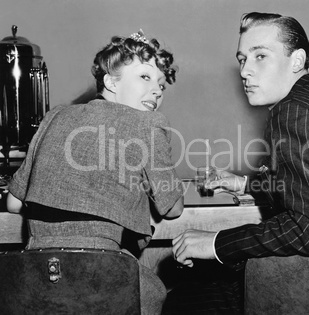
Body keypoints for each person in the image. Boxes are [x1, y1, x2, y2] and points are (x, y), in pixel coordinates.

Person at [169, 12, 309, 312]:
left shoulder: (292, 112)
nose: (245, 70)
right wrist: (244, 183)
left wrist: (215, 243)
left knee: (183, 298)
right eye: (241, 59)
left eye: (260, 56)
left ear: (297, 60)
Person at [7, 30, 183, 314]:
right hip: (105, 273)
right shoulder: (148, 123)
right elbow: (172, 209)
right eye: (145, 77)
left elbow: (14, 203)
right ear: (111, 82)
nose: (157, 90)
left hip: (37, 277)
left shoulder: (55, 116)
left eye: (162, 84)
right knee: (165, 294)